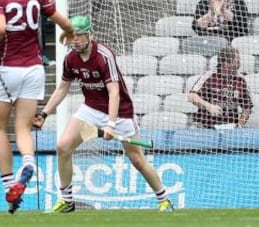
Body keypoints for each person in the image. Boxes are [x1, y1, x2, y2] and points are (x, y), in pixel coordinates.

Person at [34, 16, 173, 212]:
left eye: (80, 35)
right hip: (90, 109)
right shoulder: (70, 58)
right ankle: (67, 200)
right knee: (63, 146)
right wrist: (45, 113)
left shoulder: (103, 56)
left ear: (90, 34)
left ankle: (164, 199)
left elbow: (114, 92)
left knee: (137, 160)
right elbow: (62, 89)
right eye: (73, 35)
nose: (76, 39)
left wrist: (111, 124)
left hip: (120, 112)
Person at [0, 0, 75, 213]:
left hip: (7, 68)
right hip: (34, 68)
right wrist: (68, 32)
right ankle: (29, 161)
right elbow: (63, 21)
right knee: (23, 128)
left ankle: (10, 183)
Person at [187, 46, 253, 129]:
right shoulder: (210, 76)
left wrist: (239, 126)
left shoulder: (241, 80)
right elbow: (192, 96)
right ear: (225, 63)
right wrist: (209, 106)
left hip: (229, 129)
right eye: (237, 61)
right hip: (205, 127)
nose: (239, 64)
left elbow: (247, 108)